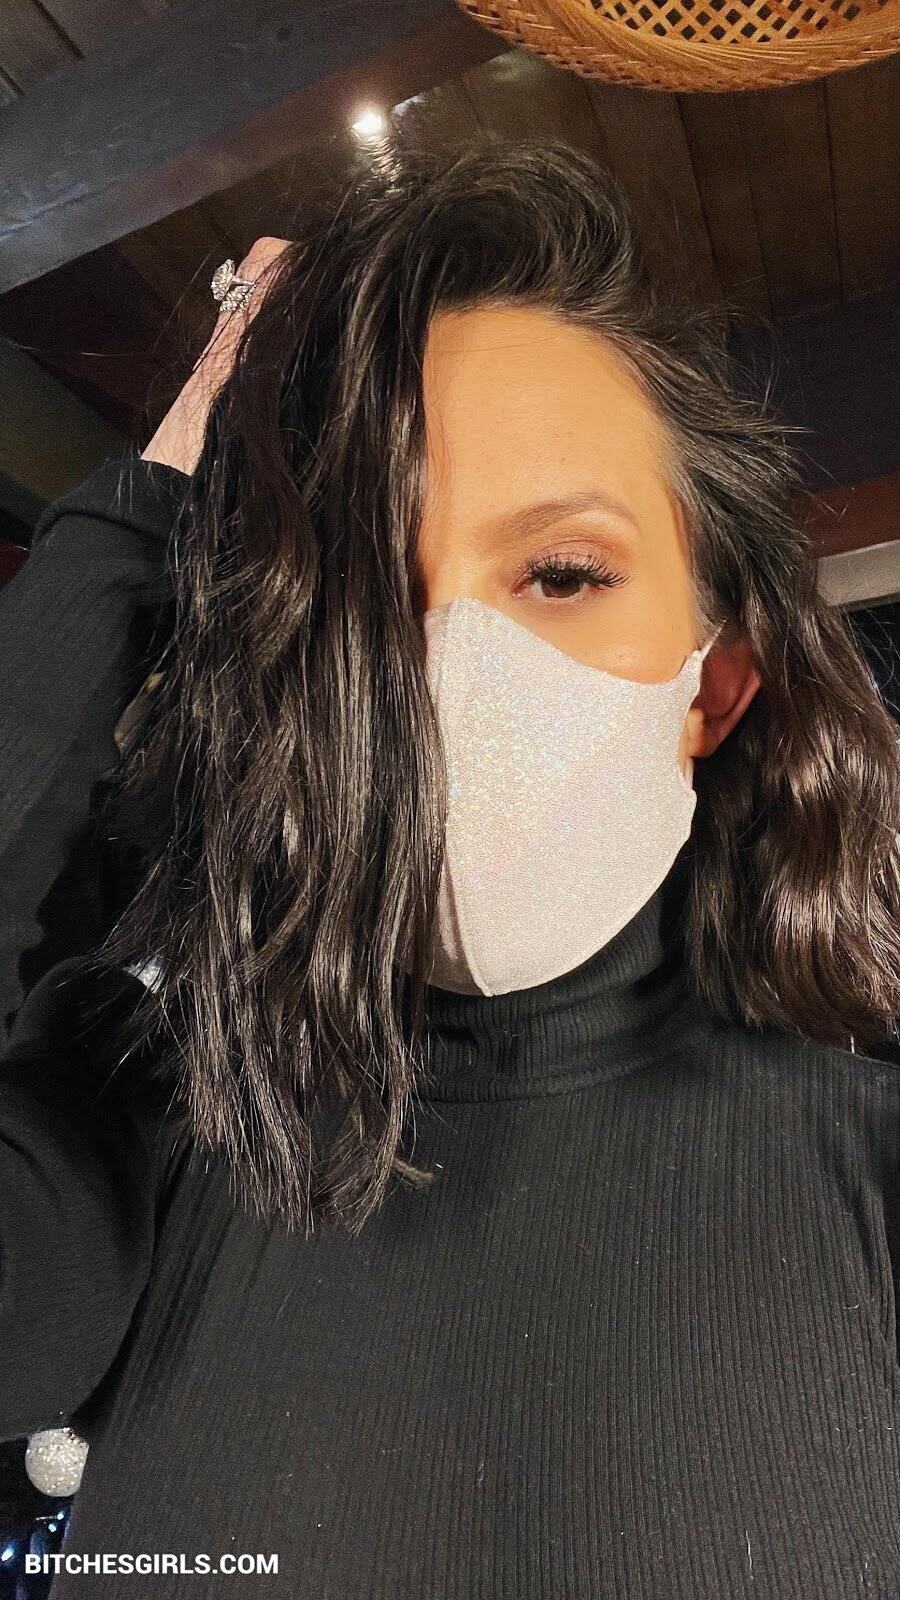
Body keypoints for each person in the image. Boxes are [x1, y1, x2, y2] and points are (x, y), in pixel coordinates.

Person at [1, 136, 899, 1599]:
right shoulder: (159, 1122)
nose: (448, 671)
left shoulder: (871, 1169)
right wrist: (154, 492)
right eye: (363, 594)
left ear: (716, 688)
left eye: (563, 573)